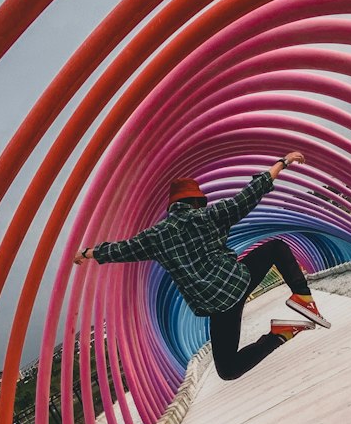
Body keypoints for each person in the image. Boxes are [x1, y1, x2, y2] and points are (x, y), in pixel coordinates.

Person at [72, 151, 330, 381]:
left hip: (216, 306)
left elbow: (121, 249)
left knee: (228, 369)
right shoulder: (208, 215)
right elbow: (249, 195)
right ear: (196, 201)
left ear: (172, 207)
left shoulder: (155, 237)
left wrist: (87, 252)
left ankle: (280, 334)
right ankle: (303, 299)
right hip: (237, 280)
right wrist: (281, 163)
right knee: (276, 247)